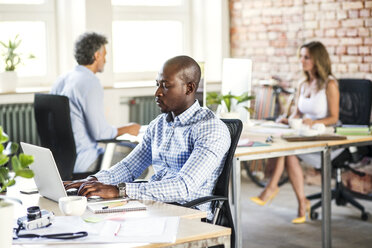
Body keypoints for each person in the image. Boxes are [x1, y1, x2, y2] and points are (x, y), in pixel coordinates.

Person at [64, 55, 231, 218]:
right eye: (157, 84)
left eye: (166, 86)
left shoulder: (211, 130)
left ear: (189, 88)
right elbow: (129, 167)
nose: (157, 93)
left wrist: (120, 190)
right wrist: (91, 181)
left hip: (188, 214)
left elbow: (183, 187)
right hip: (155, 206)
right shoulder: (159, 125)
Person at [250, 41, 340, 224]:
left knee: (288, 151)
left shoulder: (330, 84)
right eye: (301, 56)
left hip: (323, 135)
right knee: (288, 152)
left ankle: (272, 188)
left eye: (306, 57)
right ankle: (301, 202)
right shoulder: (303, 83)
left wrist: (313, 121)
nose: (301, 60)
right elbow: (297, 112)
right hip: (304, 134)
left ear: (317, 60)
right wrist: (288, 118)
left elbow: (333, 117)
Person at [51, 32, 140, 173]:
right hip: (86, 162)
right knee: (140, 159)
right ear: (97, 56)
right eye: (104, 55)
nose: (105, 60)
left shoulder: (62, 79)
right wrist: (128, 128)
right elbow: (100, 134)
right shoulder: (89, 82)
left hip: (61, 161)